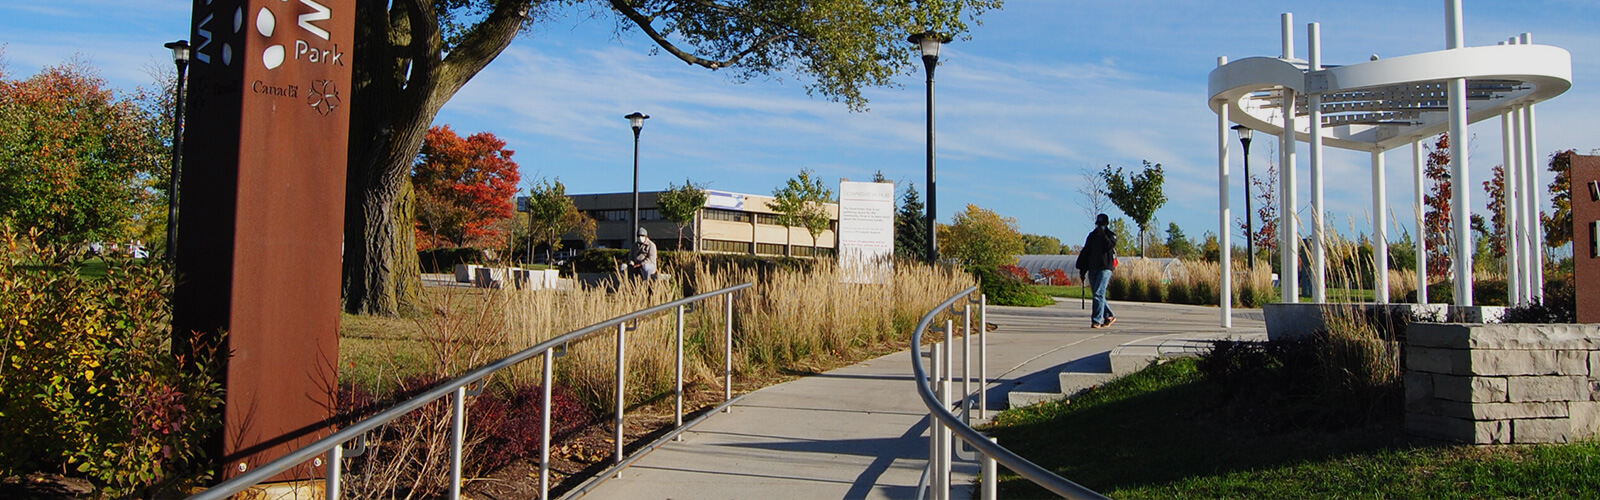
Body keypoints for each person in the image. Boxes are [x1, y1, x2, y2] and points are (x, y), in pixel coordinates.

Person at [1076, 213, 1118, 329]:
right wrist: (1082, 270)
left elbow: (1109, 246)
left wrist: (1103, 234)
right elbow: (1086, 253)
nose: (1099, 227)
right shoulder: (1092, 236)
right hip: (1093, 268)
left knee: (1098, 293)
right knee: (1097, 294)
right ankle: (1109, 315)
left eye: (1102, 225)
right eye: (1098, 225)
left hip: (1105, 268)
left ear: (1106, 225)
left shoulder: (1110, 235)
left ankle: (1096, 320)